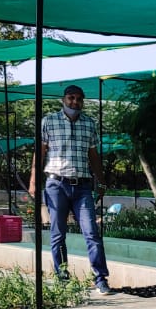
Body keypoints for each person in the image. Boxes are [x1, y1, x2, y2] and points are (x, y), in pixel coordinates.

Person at [29, 84, 113, 295]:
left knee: (92, 232)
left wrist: (101, 181)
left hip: (82, 186)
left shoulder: (89, 123)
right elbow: (40, 152)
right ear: (63, 100)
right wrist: (33, 181)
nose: (75, 102)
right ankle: (63, 277)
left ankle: (100, 278)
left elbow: (93, 155)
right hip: (56, 184)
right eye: (71, 98)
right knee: (58, 234)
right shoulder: (49, 121)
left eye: (79, 99)